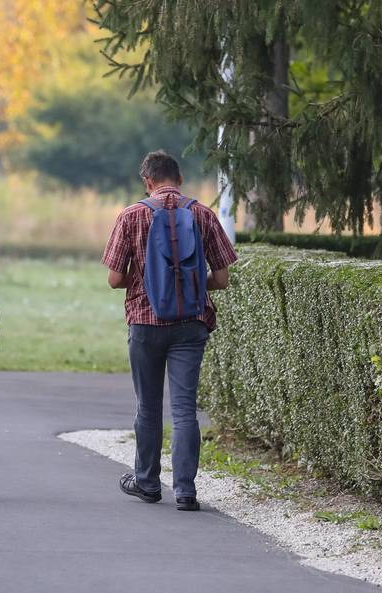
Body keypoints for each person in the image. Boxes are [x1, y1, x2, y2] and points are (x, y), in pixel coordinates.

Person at [102, 150, 238, 511]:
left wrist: (150, 281)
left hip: (145, 323)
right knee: (183, 410)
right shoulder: (202, 214)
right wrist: (189, 285)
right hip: (190, 324)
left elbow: (115, 279)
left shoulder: (131, 215)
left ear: (148, 181)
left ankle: (146, 483)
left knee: (148, 406)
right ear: (179, 180)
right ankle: (185, 491)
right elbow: (222, 279)